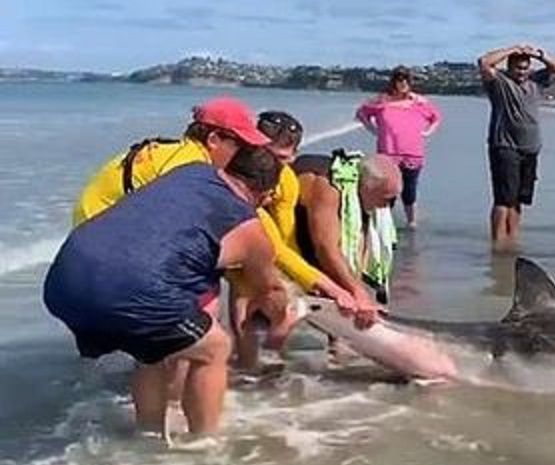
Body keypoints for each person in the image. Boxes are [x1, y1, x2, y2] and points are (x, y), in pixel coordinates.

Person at [44, 150, 289, 435]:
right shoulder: (251, 230)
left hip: (64, 280)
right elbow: (269, 290)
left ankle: (148, 435)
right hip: (130, 290)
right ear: (265, 194)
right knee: (215, 348)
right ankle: (205, 444)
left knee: (151, 349)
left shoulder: (190, 171)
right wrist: (282, 317)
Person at [230, 111, 357, 368]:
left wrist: (305, 284)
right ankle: (246, 366)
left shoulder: (286, 180)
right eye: (267, 155)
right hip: (228, 234)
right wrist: (329, 286)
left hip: (258, 237)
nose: (272, 166)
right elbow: (271, 246)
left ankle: (260, 368)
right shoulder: (236, 174)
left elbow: (285, 241)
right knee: (242, 289)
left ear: (294, 156)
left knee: (272, 290)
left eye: (282, 158)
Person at [73, 97, 270, 225]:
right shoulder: (191, 166)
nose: (244, 156)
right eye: (242, 147)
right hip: (97, 227)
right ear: (213, 140)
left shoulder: (179, 150)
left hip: (91, 220)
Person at [294, 151, 403, 327]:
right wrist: (355, 291)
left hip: (324, 220)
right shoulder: (327, 188)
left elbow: (359, 246)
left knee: (349, 288)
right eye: (386, 199)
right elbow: (325, 248)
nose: (387, 207)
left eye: (393, 200)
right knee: (317, 275)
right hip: (293, 221)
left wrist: (361, 293)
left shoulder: (365, 192)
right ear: (367, 187)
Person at [477, 43, 555, 250]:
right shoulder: (500, 82)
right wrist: (512, 49)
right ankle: (498, 244)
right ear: (509, 67)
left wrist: (538, 54)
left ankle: (513, 240)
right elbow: (484, 62)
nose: (522, 72)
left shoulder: (536, 81)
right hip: (505, 146)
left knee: (518, 200)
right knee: (503, 200)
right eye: (518, 67)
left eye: (526, 67)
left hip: (530, 147)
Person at [355, 66, 442, 229]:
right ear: (393, 82)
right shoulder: (382, 101)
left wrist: (427, 132)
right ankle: (384, 223)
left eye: (405, 80)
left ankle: (411, 222)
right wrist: (373, 129)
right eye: (399, 80)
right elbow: (361, 113)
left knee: (410, 188)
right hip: (388, 151)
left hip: (412, 152)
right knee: (388, 188)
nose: (402, 83)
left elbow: (436, 117)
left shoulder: (419, 102)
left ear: (409, 82)